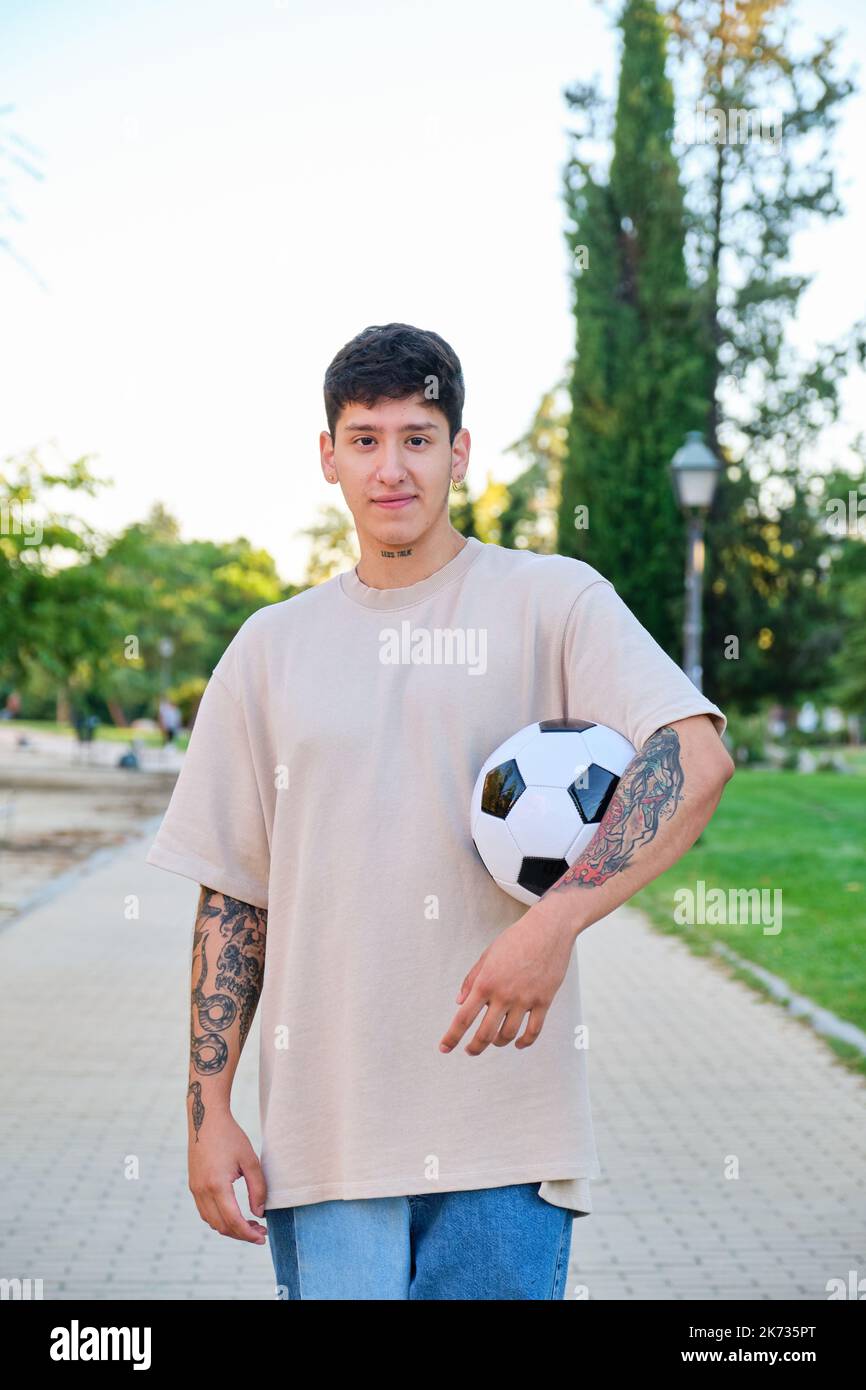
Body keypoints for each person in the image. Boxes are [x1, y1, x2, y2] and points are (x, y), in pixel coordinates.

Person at [145, 322, 733, 1300]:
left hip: (503, 1135)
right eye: (365, 438)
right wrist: (208, 1114)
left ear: (459, 452)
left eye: (417, 436)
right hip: (325, 1145)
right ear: (326, 456)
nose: (391, 467)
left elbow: (693, 753)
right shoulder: (267, 647)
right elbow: (234, 898)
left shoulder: (552, 600)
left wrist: (556, 919)